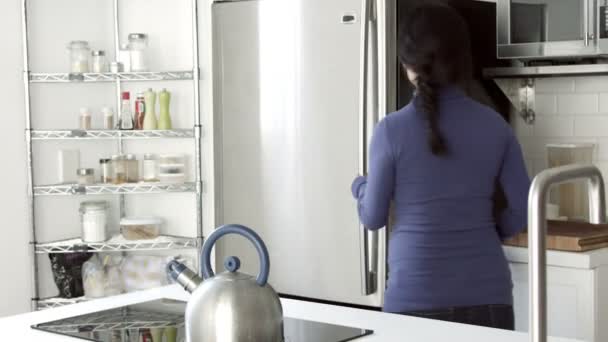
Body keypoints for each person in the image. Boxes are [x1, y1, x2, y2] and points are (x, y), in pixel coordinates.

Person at [351, 3, 530, 330]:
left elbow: (372, 216)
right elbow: (520, 211)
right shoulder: (495, 126)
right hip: (488, 299)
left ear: (407, 65)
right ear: (463, 61)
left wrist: (360, 187)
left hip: (413, 300)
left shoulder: (390, 130)